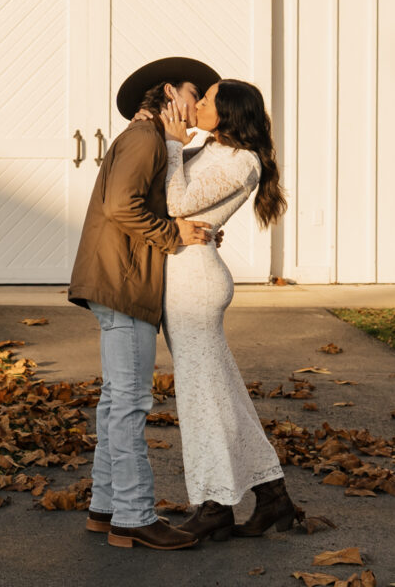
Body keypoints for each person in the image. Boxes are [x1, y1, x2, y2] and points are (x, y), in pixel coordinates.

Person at [68, 55, 221, 552]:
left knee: (116, 399)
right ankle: (134, 516)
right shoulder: (143, 139)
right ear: (169, 93)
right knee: (130, 402)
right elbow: (120, 207)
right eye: (194, 93)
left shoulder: (155, 140)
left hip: (121, 278)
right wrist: (173, 234)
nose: (198, 103)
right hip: (123, 278)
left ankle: (106, 507)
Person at [160, 77, 305, 541]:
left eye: (206, 100)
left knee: (203, 400)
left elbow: (175, 200)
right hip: (184, 278)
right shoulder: (209, 148)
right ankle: (272, 497)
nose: (197, 103)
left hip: (195, 284)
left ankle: (216, 503)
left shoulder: (243, 162)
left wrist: (169, 144)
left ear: (229, 112)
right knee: (220, 393)